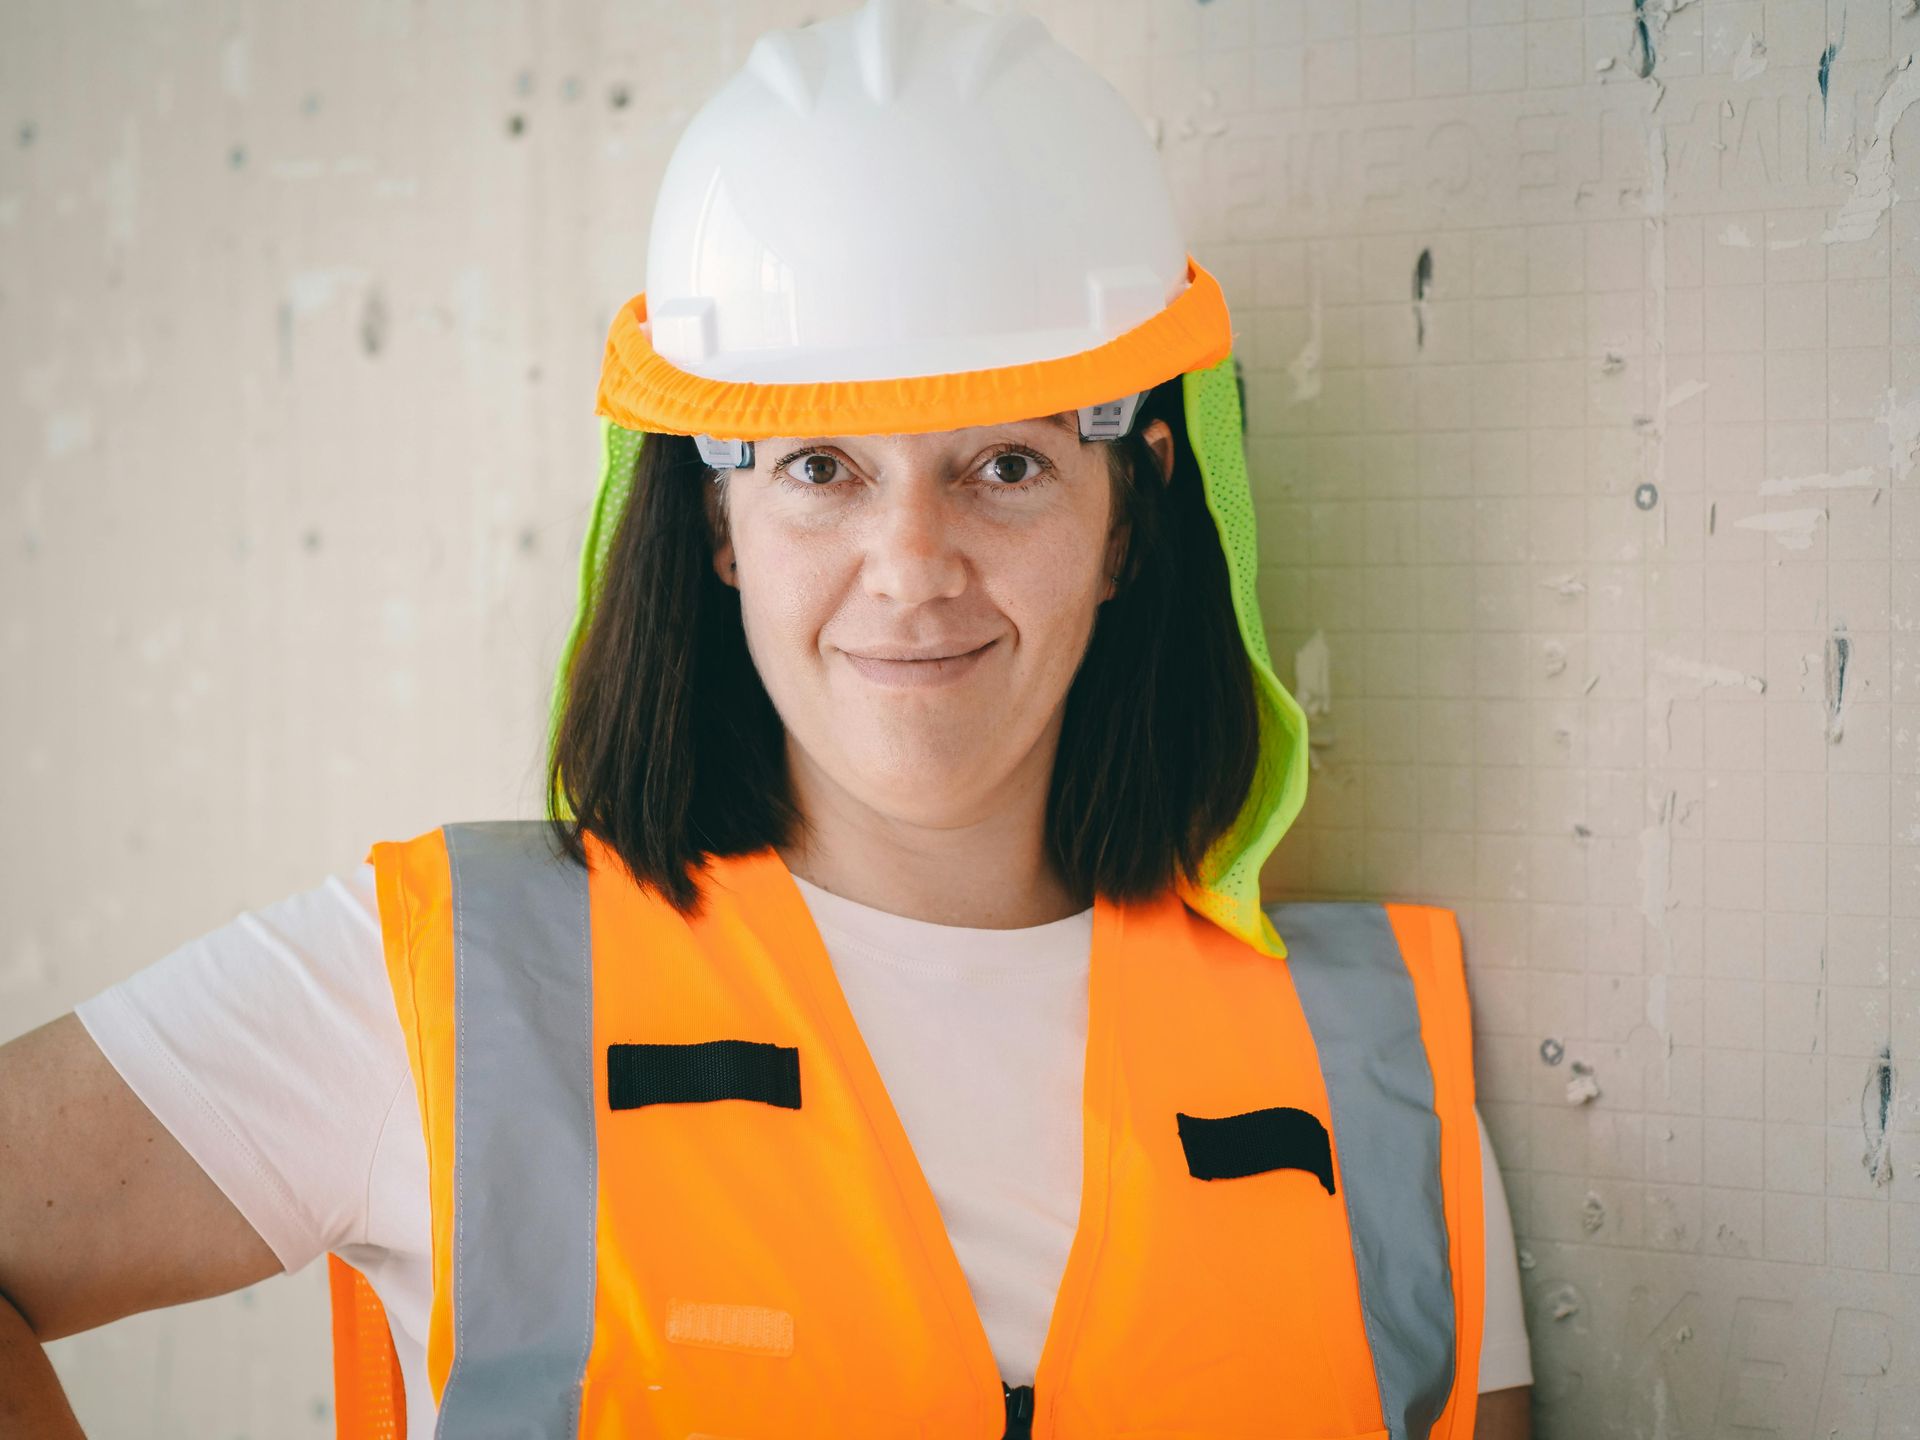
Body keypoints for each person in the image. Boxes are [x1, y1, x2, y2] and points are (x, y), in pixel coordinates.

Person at [0, 1, 1534, 1436]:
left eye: (1007, 465)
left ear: (1129, 521)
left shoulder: (1374, 1071)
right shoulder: (445, 997)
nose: (913, 569)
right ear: (717, 527)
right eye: (821, 467)